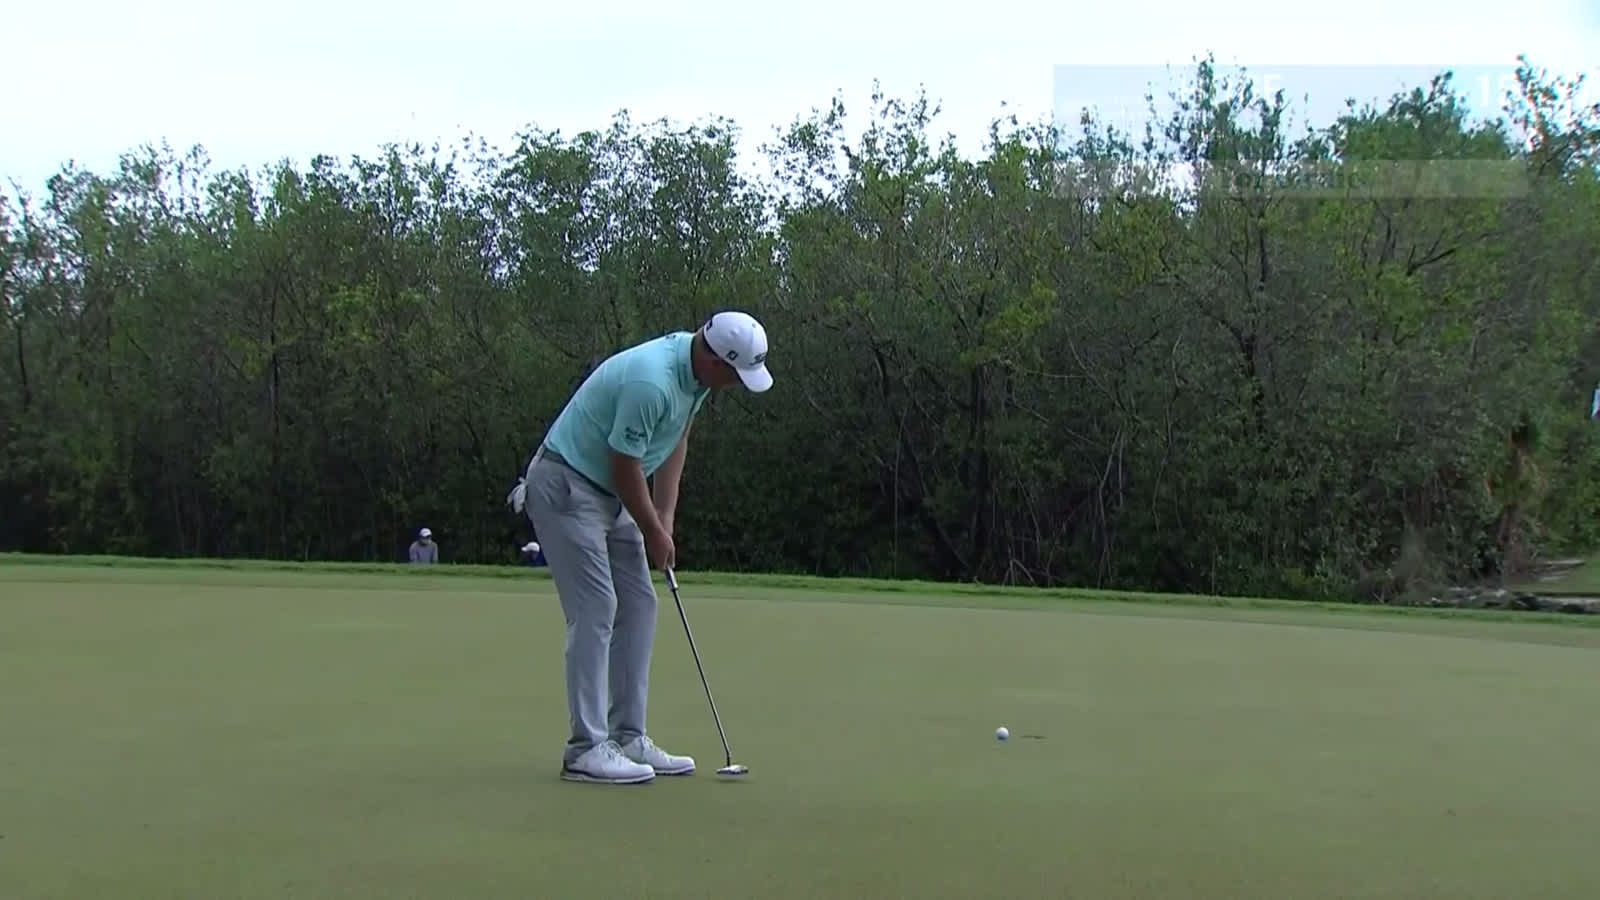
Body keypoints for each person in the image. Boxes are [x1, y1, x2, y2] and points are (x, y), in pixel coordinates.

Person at [507, 310, 772, 784]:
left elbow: (674, 442)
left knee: (640, 602)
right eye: (735, 375)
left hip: (608, 490)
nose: (735, 385)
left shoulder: (696, 378)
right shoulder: (652, 381)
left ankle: (628, 736)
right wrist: (651, 528)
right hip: (566, 484)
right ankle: (585, 749)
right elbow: (625, 465)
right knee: (597, 606)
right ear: (714, 360)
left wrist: (665, 518)